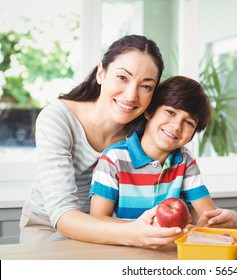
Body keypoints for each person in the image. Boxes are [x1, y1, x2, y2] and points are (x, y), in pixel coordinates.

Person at [19, 35, 185, 248]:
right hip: (50, 224)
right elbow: (63, 215)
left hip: (113, 224)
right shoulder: (58, 119)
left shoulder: (142, 129)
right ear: (101, 73)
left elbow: (177, 170)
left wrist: (210, 216)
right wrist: (131, 233)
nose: (131, 95)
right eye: (122, 78)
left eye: (146, 86)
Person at [89, 76, 237, 230]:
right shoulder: (114, 158)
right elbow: (98, 219)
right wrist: (142, 231)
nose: (176, 126)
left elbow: (208, 215)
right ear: (149, 111)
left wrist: (226, 219)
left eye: (189, 122)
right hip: (123, 250)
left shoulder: (184, 161)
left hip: (167, 251)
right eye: (170, 112)